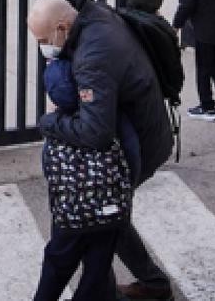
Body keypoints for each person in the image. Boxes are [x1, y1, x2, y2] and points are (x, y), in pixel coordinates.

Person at [31, 0, 175, 301]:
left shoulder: (91, 58)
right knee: (107, 217)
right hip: (144, 131)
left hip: (137, 145)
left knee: (99, 217)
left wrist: (50, 123)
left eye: (43, 39)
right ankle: (148, 285)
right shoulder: (93, 16)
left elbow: (95, 132)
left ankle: (129, 289)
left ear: (61, 27)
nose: (43, 48)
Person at [33, 24, 140, 301]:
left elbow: (51, 177)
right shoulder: (106, 118)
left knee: (57, 262)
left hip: (70, 216)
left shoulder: (55, 132)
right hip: (107, 211)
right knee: (97, 267)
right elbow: (128, 156)